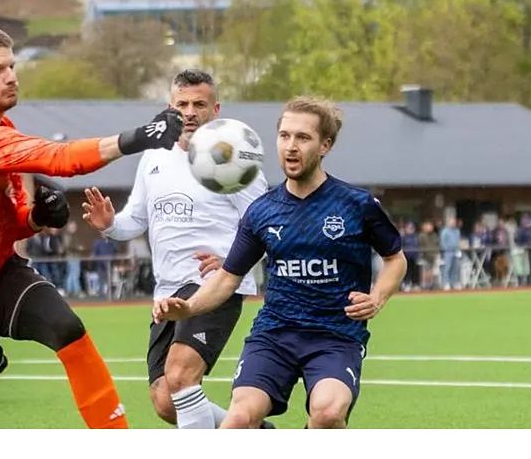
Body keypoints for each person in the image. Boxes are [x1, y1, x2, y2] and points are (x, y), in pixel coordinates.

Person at [0, 23, 183, 429]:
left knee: (66, 328)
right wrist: (140, 137)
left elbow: (10, 222)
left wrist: (35, 219)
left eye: (12, 66)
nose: (11, 76)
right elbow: (62, 158)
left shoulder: (2, 133)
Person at [154, 96, 407, 429]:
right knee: (239, 419)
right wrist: (188, 309)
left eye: (303, 138)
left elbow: (395, 259)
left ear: (325, 145)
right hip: (275, 334)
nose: (291, 146)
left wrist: (377, 298)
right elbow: (228, 278)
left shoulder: (356, 204)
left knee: (328, 414)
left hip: (336, 335)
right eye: (284, 136)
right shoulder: (262, 211)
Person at [81, 69, 269, 429]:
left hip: (213, 286)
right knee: (167, 401)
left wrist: (235, 260)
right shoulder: (153, 157)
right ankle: (254, 432)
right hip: (166, 290)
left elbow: (268, 225)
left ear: (216, 110)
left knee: (181, 376)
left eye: (199, 104)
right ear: (170, 107)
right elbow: (134, 222)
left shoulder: (234, 159)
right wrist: (109, 225)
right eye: (182, 104)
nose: (190, 112)